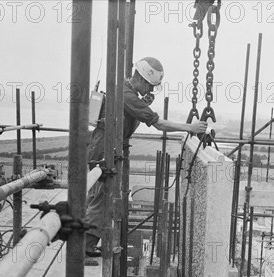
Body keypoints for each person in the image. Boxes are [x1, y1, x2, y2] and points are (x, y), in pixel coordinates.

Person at [84, 56, 208, 256]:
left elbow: (126, 119)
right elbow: (158, 124)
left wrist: (143, 103)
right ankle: (85, 247)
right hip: (104, 152)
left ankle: (87, 243)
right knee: (103, 199)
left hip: (102, 149)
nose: (150, 91)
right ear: (141, 79)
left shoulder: (124, 90)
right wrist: (190, 127)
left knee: (98, 196)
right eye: (150, 86)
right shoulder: (128, 96)